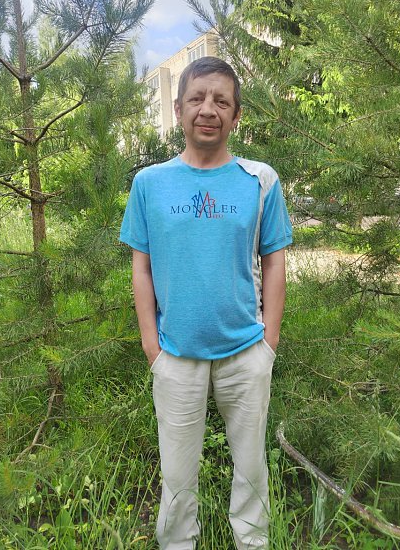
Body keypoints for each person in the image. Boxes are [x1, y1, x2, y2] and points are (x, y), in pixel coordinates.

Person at [120, 57, 292, 549]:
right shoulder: (149, 183)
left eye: (221, 100)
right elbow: (141, 268)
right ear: (178, 110)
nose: (208, 109)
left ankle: (253, 543)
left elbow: (274, 262)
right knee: (177, 478)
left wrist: (268, 343)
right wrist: (152, 347)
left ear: (236, 115)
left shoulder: (260, 180)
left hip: (246, 352)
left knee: (252, 469)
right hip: (176, 356)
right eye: (197, 98)